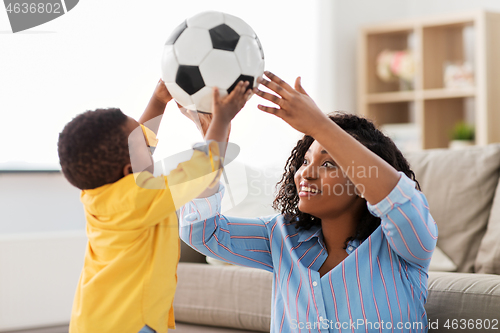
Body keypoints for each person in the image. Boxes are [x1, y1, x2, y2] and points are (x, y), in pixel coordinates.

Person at [179, 72, 438, 332]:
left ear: (362, 182)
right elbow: (201, 231)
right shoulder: (281, 237)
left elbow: (400, 200)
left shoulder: (405, 247)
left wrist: (319, 125)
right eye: (305, 160)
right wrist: (215, 141)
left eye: (327, 164)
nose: (306, 173)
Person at [57, 79, 252, 333]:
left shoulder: (99, 193)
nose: (151, 146)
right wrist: (222, 119)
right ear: (130, 171)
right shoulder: (138, 197)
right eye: (144, 147)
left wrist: (158, 101)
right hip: (127, 324)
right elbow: (202, 169)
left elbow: (135, 145)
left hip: (93, 319)